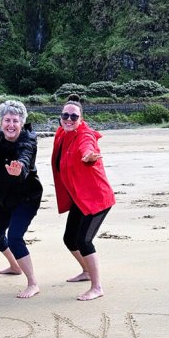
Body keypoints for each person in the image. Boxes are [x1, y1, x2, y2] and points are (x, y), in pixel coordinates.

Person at [51, 94, 116, 301]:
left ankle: (97, 287)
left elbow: (87, 146)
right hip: (81, 198)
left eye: (74, 116)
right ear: (60, 117)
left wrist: (88, 157)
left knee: (84, 240)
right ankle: (86, 271)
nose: (69, 119)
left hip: (97, 198)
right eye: (65, 115)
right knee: (69, 238)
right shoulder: (62, 133)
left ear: (81, 119)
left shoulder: (84, 135)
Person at [0, 100, 43, 298]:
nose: (11, 125)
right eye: (7, 120)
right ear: (1, 122)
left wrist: (19, 170)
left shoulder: (28, 141)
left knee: (15, 237)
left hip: (26, 197)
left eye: (16, 121)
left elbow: (25, 157)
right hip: (4, 197)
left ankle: (33, 283)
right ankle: (14, 265)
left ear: (22, 123)